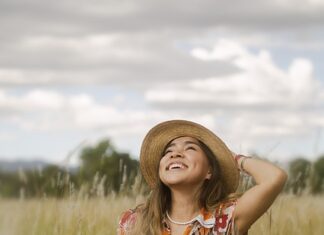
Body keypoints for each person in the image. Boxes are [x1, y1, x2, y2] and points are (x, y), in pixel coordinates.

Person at [117, 120, 287, 235]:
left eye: (190, 148)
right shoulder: (135, 221)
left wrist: (233, 158)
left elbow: (275, 177)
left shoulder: (226, 218)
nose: (175, 153)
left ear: (209, 171)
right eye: (168, 151)